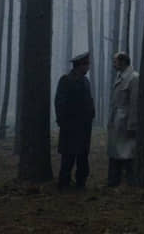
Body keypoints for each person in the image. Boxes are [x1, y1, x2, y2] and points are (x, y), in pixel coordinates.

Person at [54, 51, 95, 190]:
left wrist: (91, 115)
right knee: (68, 156)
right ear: (80, 66)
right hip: (71, 127)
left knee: (83, 156)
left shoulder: (85, 81)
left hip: (84, 127)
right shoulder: (66, 80)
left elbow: (88, 101)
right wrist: (63, 122)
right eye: (86, 64)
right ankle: (64, 183)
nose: (88, 67)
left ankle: (81, 182)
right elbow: (60, 103)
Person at [107, 52, 139, 187]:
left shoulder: (133, 78)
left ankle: (129, 181)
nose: (113, 64)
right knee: (116, 153)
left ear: (123, 62)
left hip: (125, 122)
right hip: (117, 121)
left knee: (128, 153)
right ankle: (115, 180)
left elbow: (134, 103)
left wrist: (132, 125)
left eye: (115, 61)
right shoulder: (120, 76)